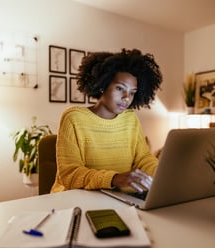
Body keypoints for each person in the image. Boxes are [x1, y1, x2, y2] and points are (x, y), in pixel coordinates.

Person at [50, 48, 163, 193]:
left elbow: (143, 158)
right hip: (77, 199)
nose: (126, 98)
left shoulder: (130, 118)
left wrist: (161, 172)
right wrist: (114, 178)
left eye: (132, 92)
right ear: (103, 86)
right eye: (120, 88)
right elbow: (70, 174)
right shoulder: (74, 118)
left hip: (120, 198)